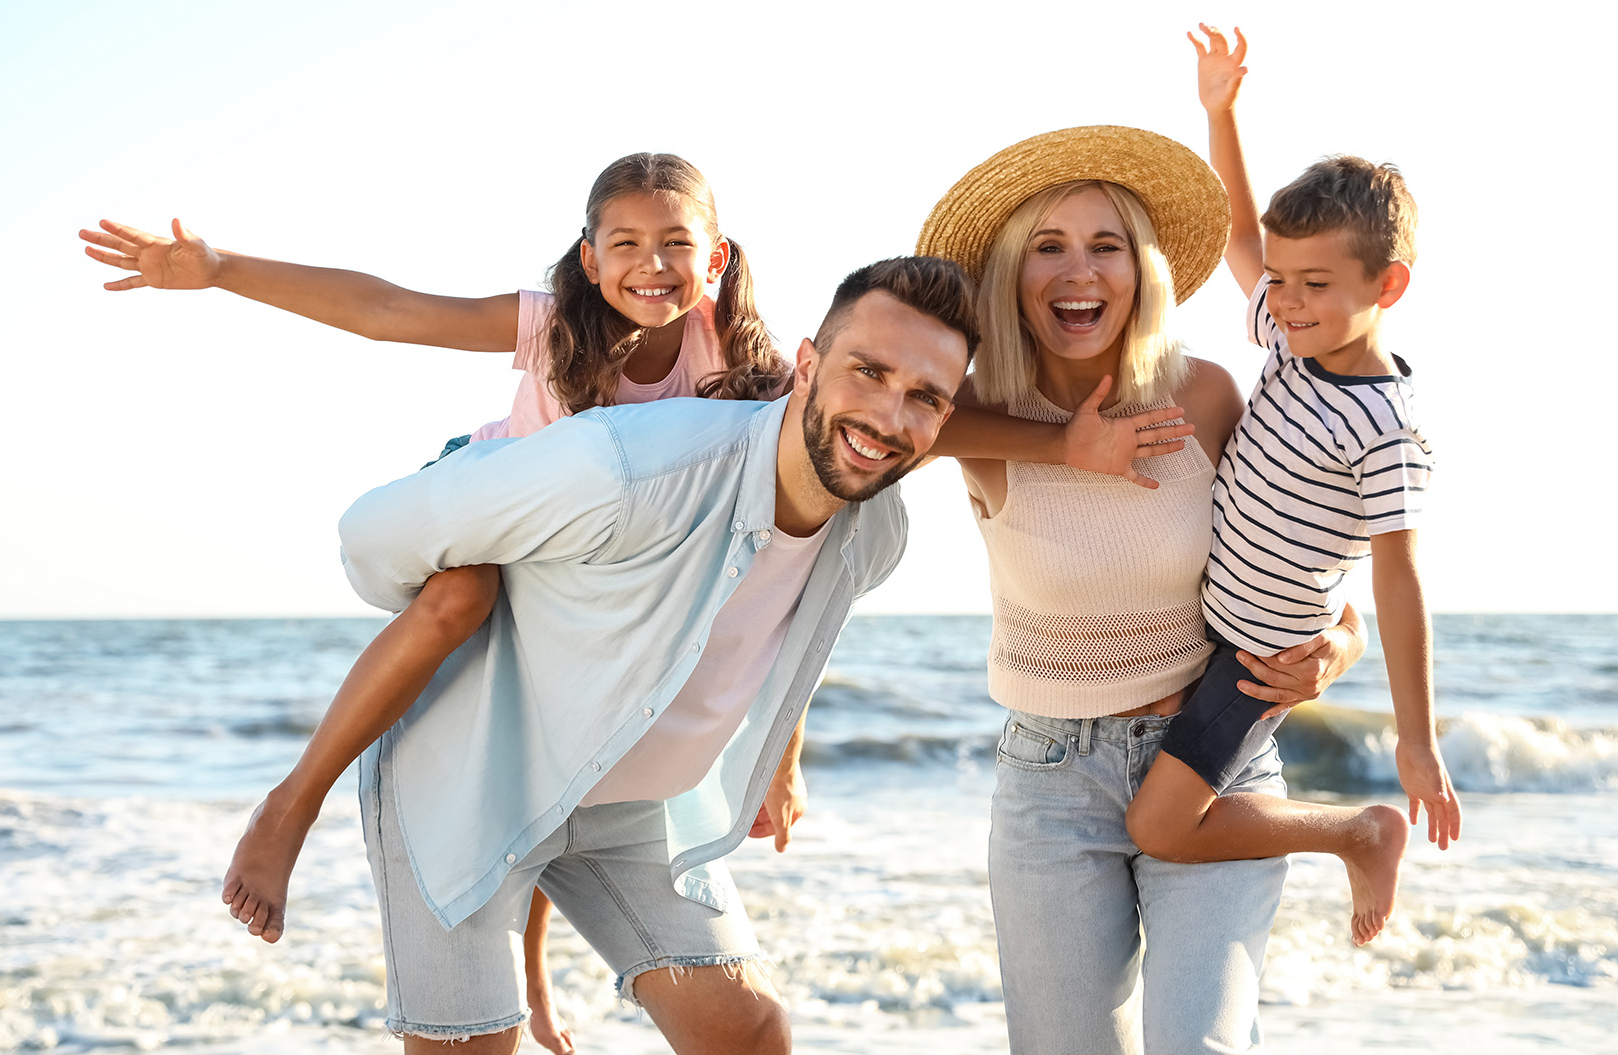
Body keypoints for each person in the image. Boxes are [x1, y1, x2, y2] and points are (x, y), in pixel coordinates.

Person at [79, 152, 788, 1051]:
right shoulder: (552, 322)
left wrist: (778, 746)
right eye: (627, 244)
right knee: (461, 599)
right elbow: (390, 312)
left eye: (676, 243)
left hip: (585, 573)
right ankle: (288, 805)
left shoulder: (740, 357)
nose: (653, 264)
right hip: (488, 509)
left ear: (716, 257)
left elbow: (783, 561)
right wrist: (219, 269)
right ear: (589, 257)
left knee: (576, 715)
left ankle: (531, 971)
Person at [331, 257, 974, 1051]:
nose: (886, 414)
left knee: (749, 1033)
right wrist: (462, 596)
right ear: (805, 365)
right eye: (868, 372)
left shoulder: (873, 535)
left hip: (633, 801)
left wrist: (784, 753)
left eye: (925, 397)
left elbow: (779, 633)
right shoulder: (625, 467)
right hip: (470, 773)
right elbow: (373, 537)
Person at [915, 124, 1370, 1053]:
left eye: (1105, 245)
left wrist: (1342, 643)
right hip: (1050, 783)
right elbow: (862, 412)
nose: (1077, 271)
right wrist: (1061, 444)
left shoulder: (1203, 395)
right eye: (1048, 247)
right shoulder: (968, 412)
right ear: (1011, 273)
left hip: (1212, 760)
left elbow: (1299, 549)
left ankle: (1357, 831)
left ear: (1142, 270)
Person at [1120, 26, 1461, 947]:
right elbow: (1239, 230)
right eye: (1280, 279)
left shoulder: (1388, 429)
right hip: (1202, 625)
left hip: (1256, 657)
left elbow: (1400, 582)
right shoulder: (1286, 334)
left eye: (1315, 283)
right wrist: (1219, 112)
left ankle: (1357, 830)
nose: (1288, 299)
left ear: (1387, 284)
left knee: (1155, 827)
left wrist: (1416, 739)